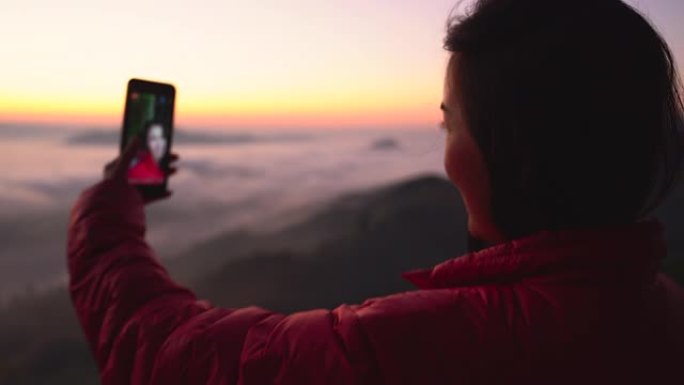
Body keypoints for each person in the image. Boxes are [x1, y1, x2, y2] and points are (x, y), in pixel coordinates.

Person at [67, 0, 684, 384]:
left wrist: (112, 201)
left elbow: (160, 349)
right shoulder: (663, 309)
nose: (444, 147)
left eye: (450, 121)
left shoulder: (404, 354)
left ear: (499, 155)